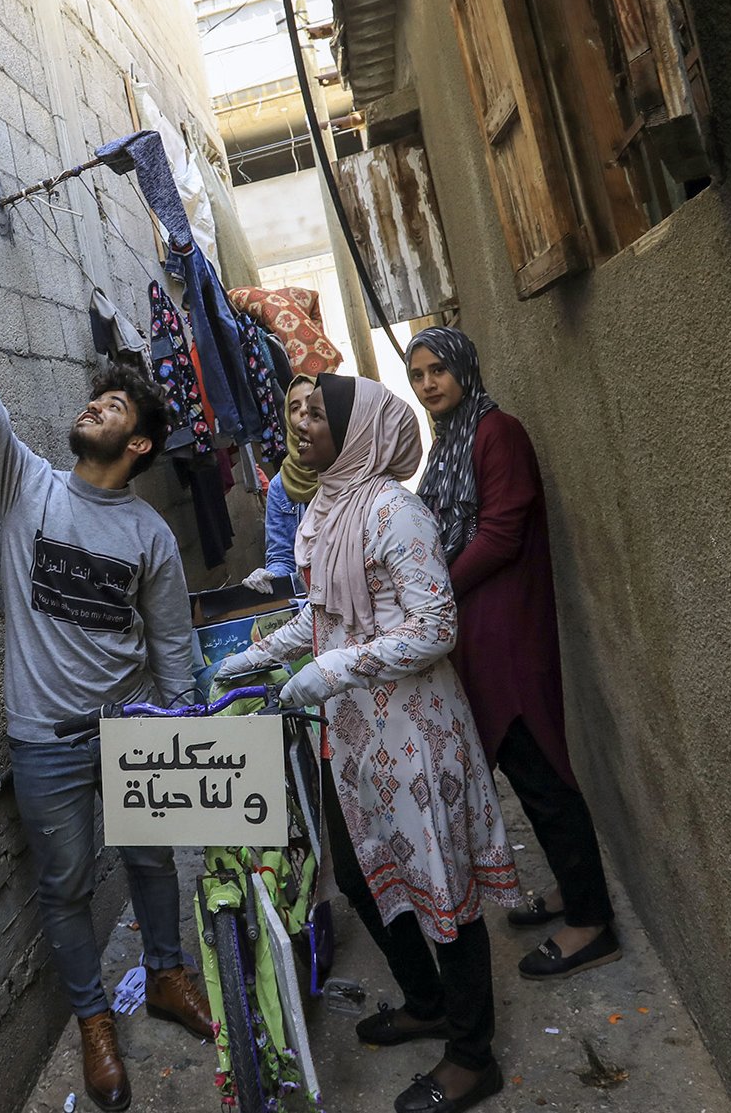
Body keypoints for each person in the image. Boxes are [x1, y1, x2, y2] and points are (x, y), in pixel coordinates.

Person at [0, 285, 211, 1113]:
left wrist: (180, 734)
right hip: (44, 740)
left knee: (154, 858)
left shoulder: (149, 536)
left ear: (139, 441)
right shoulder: (26, 487)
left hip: (130, 728)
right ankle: (92, 1021)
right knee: (67, 881)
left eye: (112, 404)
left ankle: (166, 971)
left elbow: (171, 646)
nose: (94, 405)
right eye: (97, 396)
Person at [212, 374, 519, 1113]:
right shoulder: (324, 509)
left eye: (321, 412)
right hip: (355, 738)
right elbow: (322, 620)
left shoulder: (393, 510)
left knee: (443, 879)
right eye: (299, 412)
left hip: (415, 732)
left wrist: (332, 667)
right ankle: (427, 999)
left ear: (357, 432)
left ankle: (474, 1055)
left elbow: (436, 626)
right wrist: (256, 654)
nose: (303, 422)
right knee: (357, 873)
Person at [405, 326, 620, 980]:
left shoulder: (499, 433)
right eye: (417, 375)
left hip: (508, 626)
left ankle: (593, 923)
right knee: (529, 773)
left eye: (438, 368)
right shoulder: (448, 443)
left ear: (465, 368)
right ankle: (570, 890)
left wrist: (437, 589)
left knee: (540, 768)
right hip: (478, 625)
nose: (428, 383)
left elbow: (500, 533)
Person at [241, 374, 317, 593]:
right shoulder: (281, 486)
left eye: (311, 401)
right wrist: (270, 574)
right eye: (294, 407)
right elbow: (282, 556)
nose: (303, 410)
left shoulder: (347, 471)